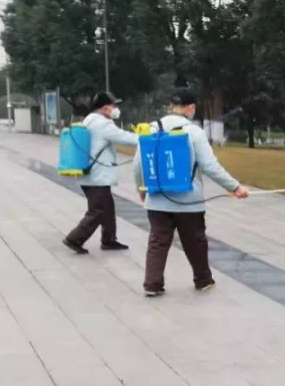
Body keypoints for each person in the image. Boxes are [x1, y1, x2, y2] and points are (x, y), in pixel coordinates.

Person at [133, 87, 249, 297]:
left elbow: (138, 164)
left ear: (171, 105)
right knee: (195, 241)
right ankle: (203, 280)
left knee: (158, 242)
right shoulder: (194, 132)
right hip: (189, 200)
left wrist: (141, 188)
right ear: (191, 107)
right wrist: (235, 187)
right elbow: (210, 166)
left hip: (157, 197)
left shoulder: (151, 128)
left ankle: (152, 284)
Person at [63, 92, 140, 254]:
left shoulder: (89, 120)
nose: (115, 109)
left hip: (90, 173)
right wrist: (147, 138)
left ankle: (109, 239)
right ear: (105, 108)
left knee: (107, 207)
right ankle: (74, 238)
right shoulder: (102, 124)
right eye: (113, 105)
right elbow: (125, 138)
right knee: (97, 210)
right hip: (97, 176)